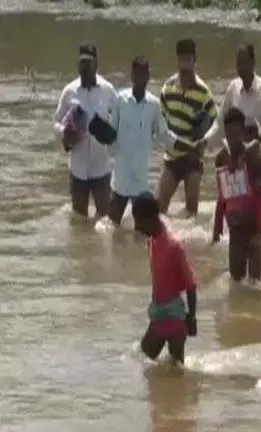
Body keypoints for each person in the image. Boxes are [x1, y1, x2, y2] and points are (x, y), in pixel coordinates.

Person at [108, 56, 178, 226]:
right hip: (121, 175)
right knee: (111, 225)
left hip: (140, 177)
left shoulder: (153, 104)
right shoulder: (120, 100)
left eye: (144, 74)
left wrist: (182, 144)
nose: (140, 78)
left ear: (148, 76)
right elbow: (110, 131)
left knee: (143, 228)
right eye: (137, 74)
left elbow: (162, 133)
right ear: (132, 75)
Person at [52, 43, 118, 218]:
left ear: (96, 64)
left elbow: (119, 120)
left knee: (105, 217)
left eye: (88, 62)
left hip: (102, 167)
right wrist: (64, 132)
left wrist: (111, 132)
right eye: (82, 62)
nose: (85, 67)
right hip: (78, 168)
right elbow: (56, 122)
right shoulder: (69, 91)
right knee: (79, 219)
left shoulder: (108, 90)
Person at [211, 107, 261, 283]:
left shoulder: (252, 156)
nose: (232, 140)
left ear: (243, 132)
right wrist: (217, 226)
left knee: (254, 285)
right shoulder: (221, 159)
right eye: (228, 135)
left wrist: (258, 225)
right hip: (235, 230)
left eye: (236, 134)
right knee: (236, 283)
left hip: (254, 228)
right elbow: (222, 195)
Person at [132, 193, 197, 365]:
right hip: (159, 314)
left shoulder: (173, 246)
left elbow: (191, 285)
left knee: (176, 370)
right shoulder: (151, 241)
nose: (136, 227)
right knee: (141, 359)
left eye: (138, 221)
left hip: (175, 317)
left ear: (152, 218)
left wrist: (191, 318)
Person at [156, 38, 218, 216]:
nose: (184, 65)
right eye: (181, 60)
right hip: (172, 156)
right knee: (159, 206)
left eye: (188, 60)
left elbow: (216, 121)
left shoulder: (203, 91)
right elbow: (160, 122)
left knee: (191, 211)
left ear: (194, 61)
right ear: (177, 60)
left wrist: (204, 141)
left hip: (193, 158)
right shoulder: (168, 88)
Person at [205, 43, 261, 149]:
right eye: (238, 62)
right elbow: (220, 123)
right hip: (236, 151)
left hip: (258, 151)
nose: (241, 67)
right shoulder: (233, 88)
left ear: (252, 63)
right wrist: (205, 141)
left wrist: (260, 137)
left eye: (244, 62)